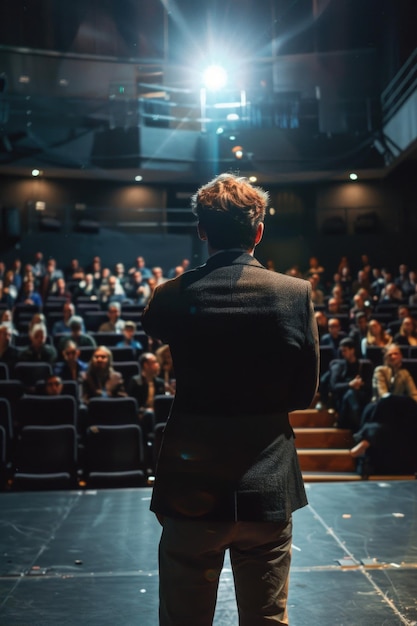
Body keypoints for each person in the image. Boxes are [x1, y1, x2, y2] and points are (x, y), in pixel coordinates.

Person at [142, 173, 319, 626]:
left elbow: (154, 326)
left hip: (190, 491)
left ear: (201, 230)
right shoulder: (294, 294)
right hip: (268, 485)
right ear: (259, 232)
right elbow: (303, 393)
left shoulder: (168, 297)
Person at [351, 344, 417, 475]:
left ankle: (366, 440)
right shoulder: (380, 370)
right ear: (385, 358)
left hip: (396, 414)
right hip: (378, 410)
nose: (393, 357)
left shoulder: (404, 373)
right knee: (388, 403)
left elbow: (414, 395)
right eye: (389, 354)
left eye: (395, 354)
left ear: (401, 356)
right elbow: (383, 395)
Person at [328, 337, 373, 430]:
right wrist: (350, 384)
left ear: (352, 350)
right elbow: (333, 386)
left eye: (345, 350)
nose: (342, 353)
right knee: (350, 394)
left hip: (361, 398)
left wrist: (360, 385)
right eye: (342, 351)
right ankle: (360, 427)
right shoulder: (338, 366)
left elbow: (370, 385)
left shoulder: (365, 366)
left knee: (353, 395)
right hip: (343, 402)